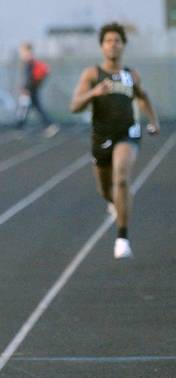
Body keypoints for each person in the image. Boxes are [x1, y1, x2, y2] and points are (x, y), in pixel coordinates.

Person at [69, 22, 159, 259]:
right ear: (102, 46)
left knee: (121, 178)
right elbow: (74, 106)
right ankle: (115, 202)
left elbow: (144, 97)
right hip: (101, 137)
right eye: (108, 41)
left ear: (123, 45)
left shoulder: (131, 75)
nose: (113, 45)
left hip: (128, 132)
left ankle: (122, 238)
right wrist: (93, 93)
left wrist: (153, 121)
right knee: (105, 189)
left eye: (117, 40)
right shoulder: (92, 74)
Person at [15, 42, 59, 138]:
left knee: (24, 109)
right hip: (31, 89)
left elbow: (30, 78)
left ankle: (19, 128)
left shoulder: (30, 63)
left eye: (22, 52)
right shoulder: (30, 63)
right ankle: (50, 126)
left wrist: (26, 88)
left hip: (30, 90)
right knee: (35, 108)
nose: (21, 54)